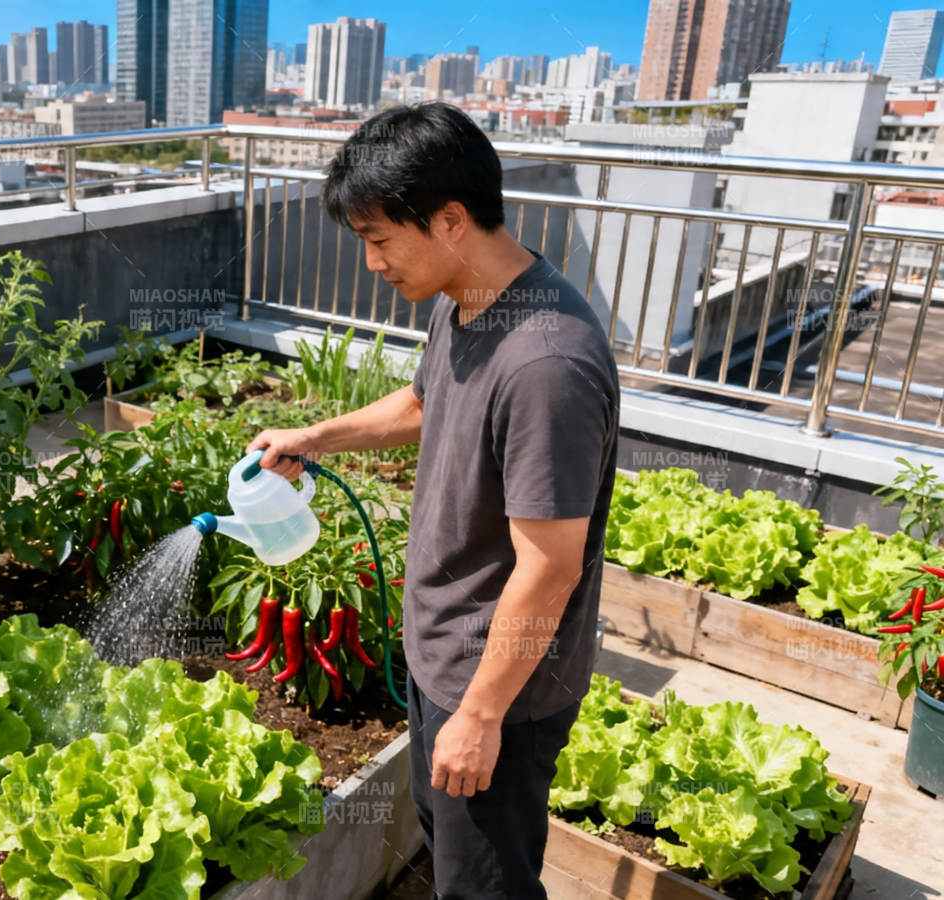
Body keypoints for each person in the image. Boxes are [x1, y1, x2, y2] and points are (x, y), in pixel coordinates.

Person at [247, 101, 620, 899]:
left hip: (501, 687)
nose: (373, 263)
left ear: (450, 220)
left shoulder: (547, 363)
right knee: (453, 860)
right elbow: (421, 403)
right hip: (445, 661)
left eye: (380, 240)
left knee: (488, 887)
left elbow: (550, 568)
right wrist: (312, 436)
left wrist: (482, 714)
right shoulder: (471, 302)